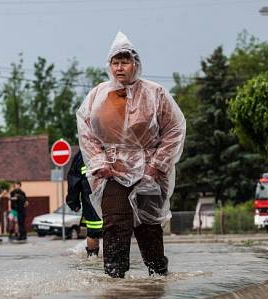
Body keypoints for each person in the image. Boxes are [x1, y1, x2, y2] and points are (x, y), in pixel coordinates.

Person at [76, 31, 185, 278]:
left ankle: (158, 276)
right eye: (115, 62)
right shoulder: (98, 95)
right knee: (115, 224)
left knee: (149, 228)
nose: (119, 68)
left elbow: (175, 129)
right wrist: (99, 162)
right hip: (113, 171)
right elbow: (86, 131)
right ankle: (115, 280)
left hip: (148, 172)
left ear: (135, 64)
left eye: (124, 62)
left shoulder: (155, 93)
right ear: (109, 66)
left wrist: (157, 164)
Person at [66, 150, 103, 256]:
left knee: (93, 233)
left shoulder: (83, 153)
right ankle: (113, 264)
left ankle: (93, 259)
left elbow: (74, 181)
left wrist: (73, 202)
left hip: (91, 203)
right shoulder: (114, 145)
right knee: (115, 231)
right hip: (115, 201)